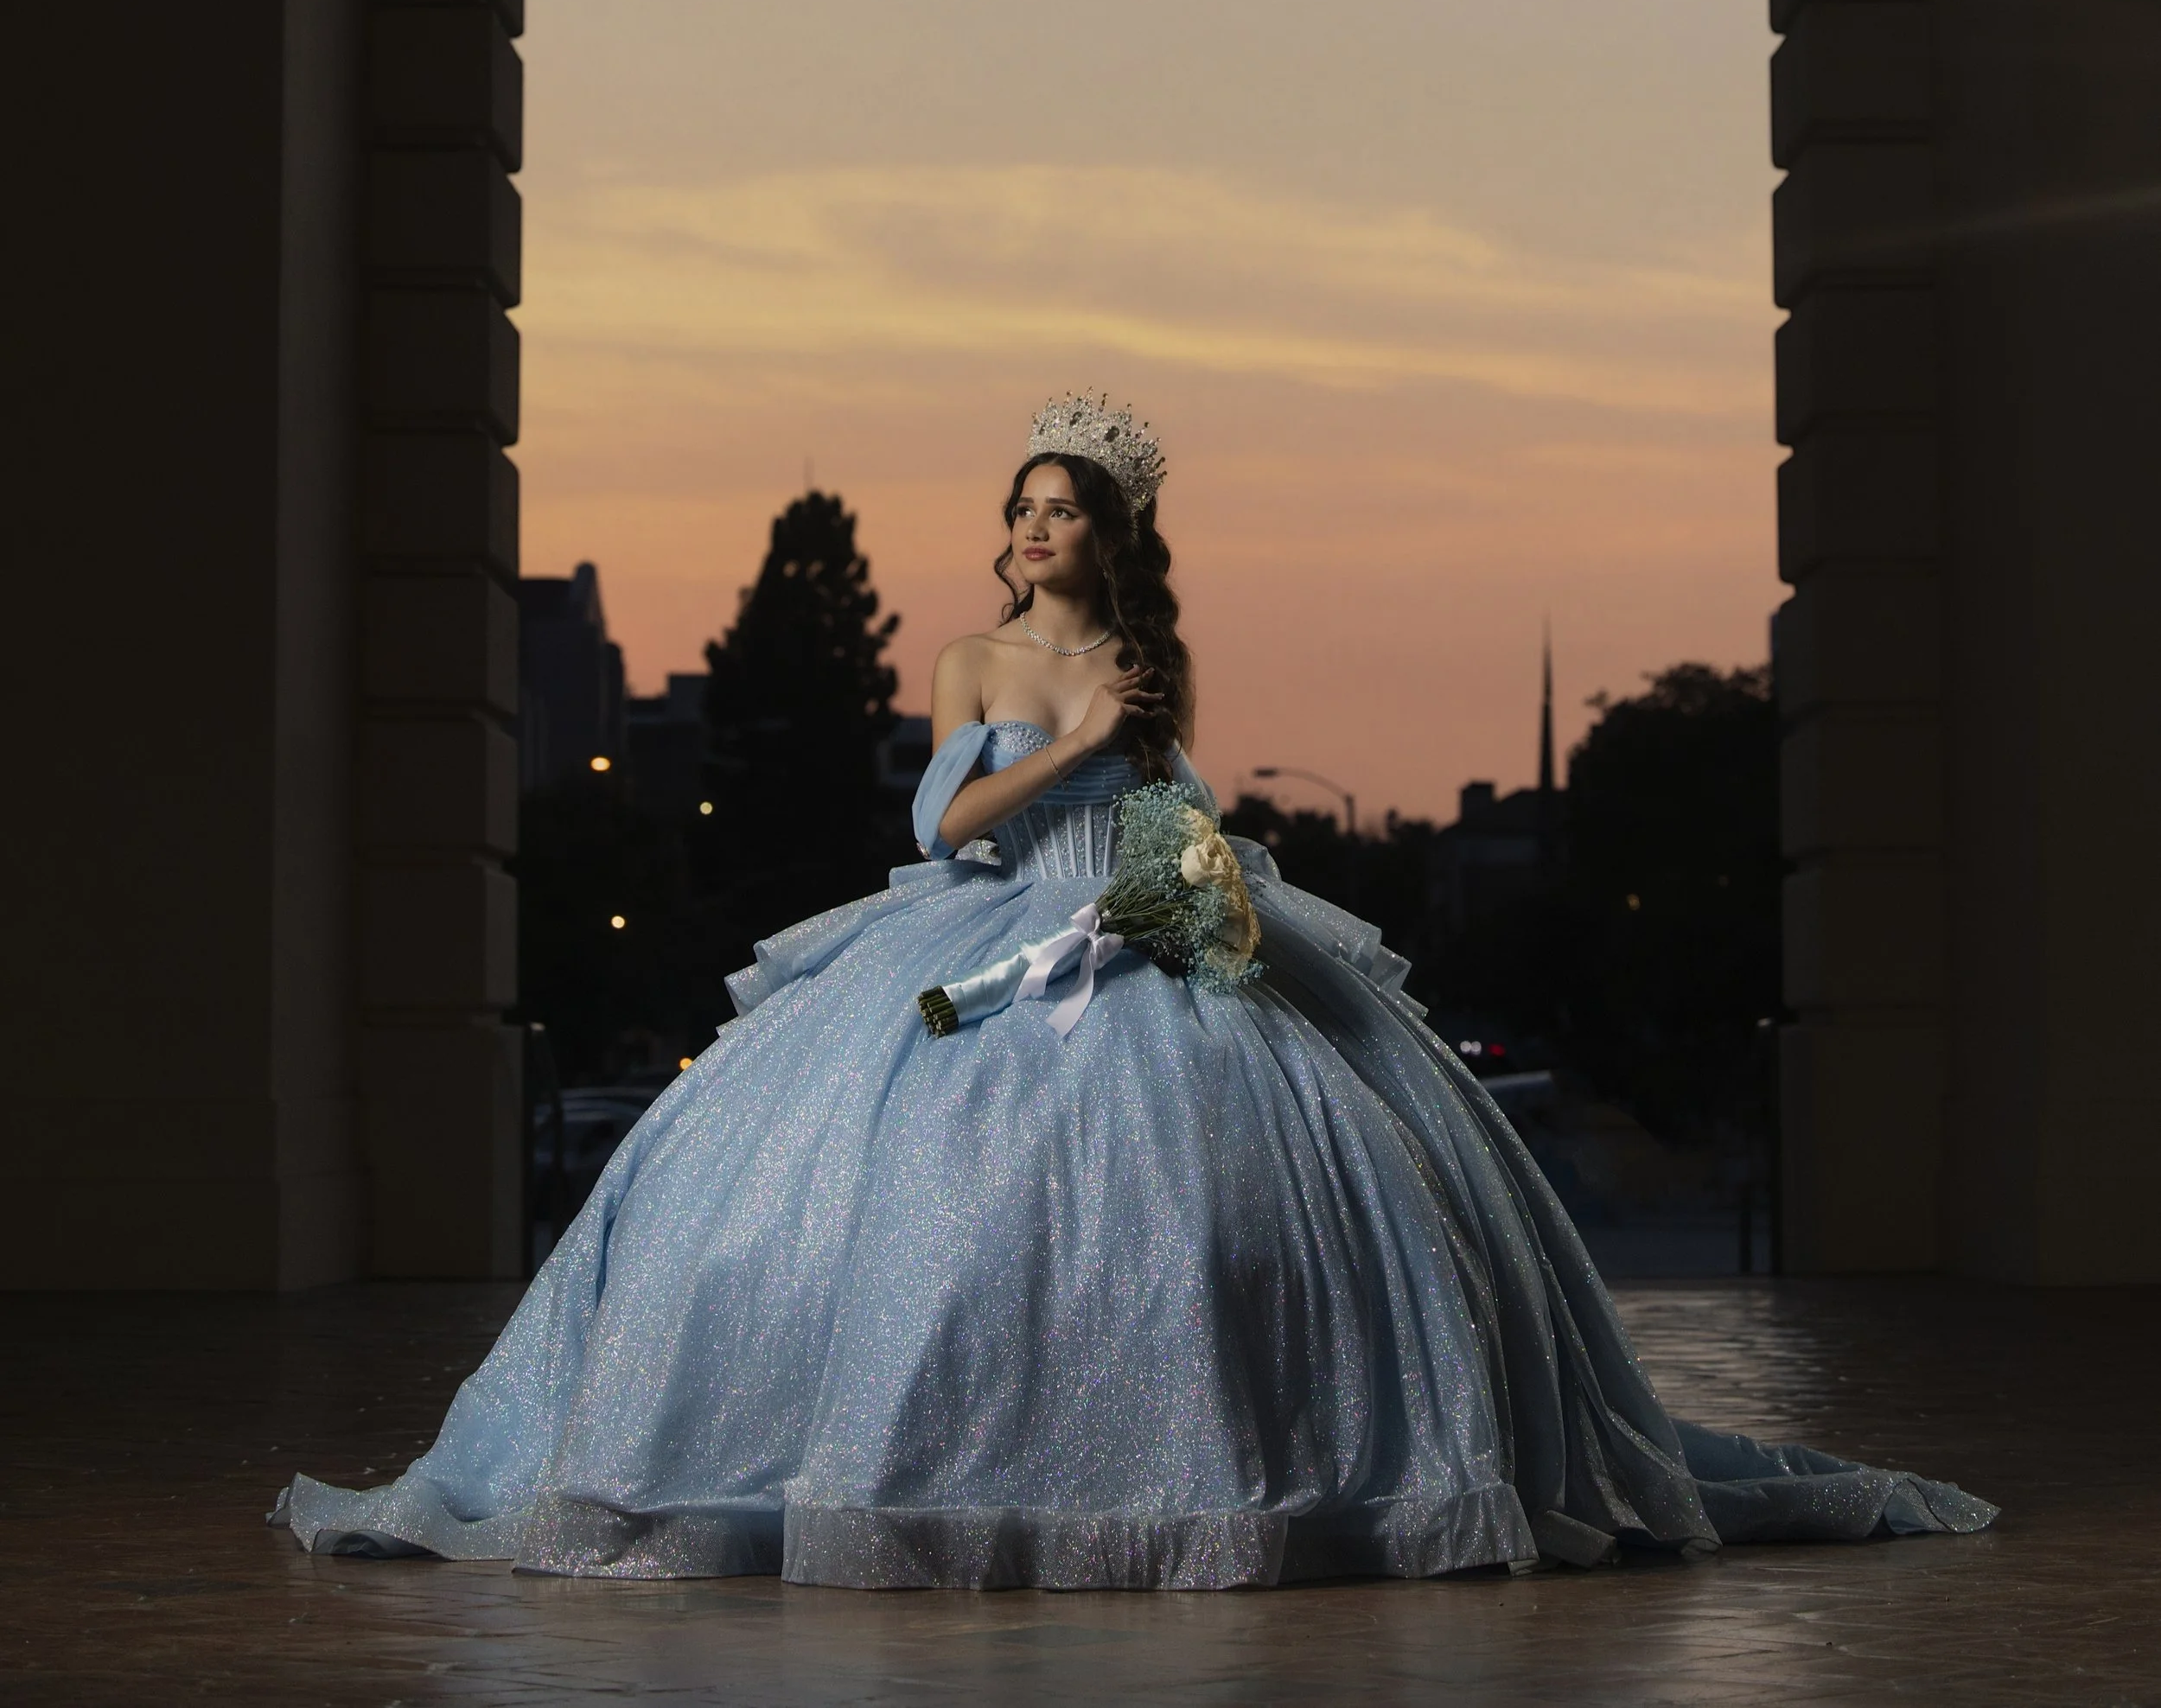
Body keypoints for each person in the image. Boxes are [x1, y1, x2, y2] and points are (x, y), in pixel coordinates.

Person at [275, 395, 1995, 1586]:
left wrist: (1201, 893)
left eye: (1067, 509)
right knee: (885, 1199)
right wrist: (1074, 748)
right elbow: (946, 822)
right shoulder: (976, 660)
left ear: (1110, 534)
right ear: (1004, 534)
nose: (1038, 532)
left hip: (1142, 910)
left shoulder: (1150, 657)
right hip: (982, 921)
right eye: (1021, 508)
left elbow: (1167, 815)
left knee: (1249, 1182)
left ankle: (1222, 1476)